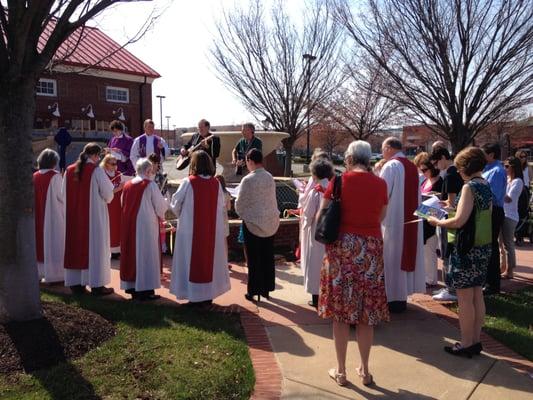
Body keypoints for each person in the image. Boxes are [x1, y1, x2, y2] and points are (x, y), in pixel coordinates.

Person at [319, 140, 389, 387]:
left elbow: (323, 215)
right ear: (368, 159)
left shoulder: (338, 182)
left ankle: (340, 370)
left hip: (341, 250)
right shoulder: (380, 184)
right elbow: (381, 216)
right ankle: (365, 370)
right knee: (365, 313)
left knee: (340, 312)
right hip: (370, 250)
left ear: (348, 158)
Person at [428, 147, 492, 357]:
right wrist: (452, 210)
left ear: (465, 167)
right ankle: (475, 340)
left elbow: (459, 221)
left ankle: (465, 343)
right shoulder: (485, 184)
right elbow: (474, 214)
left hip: (466, 248)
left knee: (464, 299)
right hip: (482, 246)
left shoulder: (469, 187)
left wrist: (437, 220)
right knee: (476, 295)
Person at [169, 150, 230, 305]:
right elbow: (222, 205)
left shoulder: (188, 182)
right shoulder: (215, 183)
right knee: (209, 261)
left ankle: (193, 295)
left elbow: (175, 204)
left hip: (190, 230)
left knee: (189, 260)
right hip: (211, 230)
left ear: (193, 164)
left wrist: (184, 215)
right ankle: (207, 295)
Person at [380, 137, 425, 313]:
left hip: (393, 221)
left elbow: (382, 194)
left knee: (391, 258)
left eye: (383, 149)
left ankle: (390, 298)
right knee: (401, 258)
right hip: (409, 221)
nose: (383, 153)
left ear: (389, 148)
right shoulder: (412, 166)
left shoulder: (391, 166)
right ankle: (400, 298)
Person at [63, 143, 114, 295]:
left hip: (73, 217)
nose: (99, 159)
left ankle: (76, 284)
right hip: (94, 218)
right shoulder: (96, 171)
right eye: (99, 156)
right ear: (94, 155)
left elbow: (62, 193)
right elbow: (108, 194)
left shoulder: (69, 170)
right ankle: (97, 285)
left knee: (76, 247)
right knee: (96, 248)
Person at [120, 158, 168, 301]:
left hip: (129, 224)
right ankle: (145, 289)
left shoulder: (128, 185)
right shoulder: (150, 184)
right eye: (151, 170)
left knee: (132, 253)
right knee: (146, 255)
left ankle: (132, 287)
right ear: (148, 171)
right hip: (146, 225)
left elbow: (122, 202)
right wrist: (166, 203)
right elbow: (160, 206)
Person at [235, 149, 279, 301]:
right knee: (267, 257)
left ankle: (253, 290)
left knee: (254, 259)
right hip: (270, 223)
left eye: (247, 162)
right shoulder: (269, 177)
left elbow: (239, 204)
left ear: (250, 161)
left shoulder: (248, 180)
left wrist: (242, 213)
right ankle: (266, 289)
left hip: (253, 224)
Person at [430, 147, 464, 302]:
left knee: (446, 253)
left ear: (443, 157)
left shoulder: (450, 175)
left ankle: (450, 288)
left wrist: (435, 207)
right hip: (454, 219)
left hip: (448, 220)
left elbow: (451, 204)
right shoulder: (455, 173)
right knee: (448, 253)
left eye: (437, 163)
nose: (436, 167)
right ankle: (450, 287)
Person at [301, 158, 334, 307]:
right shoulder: (335, 188)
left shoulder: (317, 190)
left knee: (315, 264)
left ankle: (316, 296)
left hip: (316, 231)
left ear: (315, 174)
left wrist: (305, 223)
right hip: (331, 232)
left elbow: (308, 213)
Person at [34, 148, 65, 283]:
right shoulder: (55, 176)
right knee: (55, 242)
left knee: (40, 243)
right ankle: (56, 275)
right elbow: (62, 196)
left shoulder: (34, 176)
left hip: (38, 215)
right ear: (53, 162)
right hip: (53, 216)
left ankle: (40, 273)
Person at [481, 143, 506, 295]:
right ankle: (487, 280)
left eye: (484, 153)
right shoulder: (487, 169)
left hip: (494, 211)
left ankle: (493, 284)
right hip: (487, 211)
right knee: (487, 246)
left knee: (491, 247)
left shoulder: (497, 171)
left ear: (491, 155)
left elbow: (494, 195)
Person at [420, 159, 443, 286]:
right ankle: (427, 277)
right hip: (422, 217)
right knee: (425, 250)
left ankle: (431, 279)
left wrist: (436, 195)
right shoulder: (424, 181)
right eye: (421, 170)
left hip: (433, 219)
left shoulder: (440, 182)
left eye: (425, 170)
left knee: (430, 250)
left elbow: (444, 203)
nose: (423, 173)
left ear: (432, 168)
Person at [500, 157, 524, 279]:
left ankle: (510, 270)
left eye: (507, 166)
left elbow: (509, 199)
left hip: (510, 216)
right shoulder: (507, 179)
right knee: (501, 244)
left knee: (508, 244)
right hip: (502, 214)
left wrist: (498, 190)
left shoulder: (518, 181)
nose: (505, 168)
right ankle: (503, 267)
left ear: (513, 167)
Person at [101, 154, 125, 259]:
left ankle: (117, 251)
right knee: (109, 226)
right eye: (112, 163)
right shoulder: (102, 175)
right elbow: (104, 191)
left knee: (118, 226)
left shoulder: (119, 174)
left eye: (116, 163)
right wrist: (118, 189)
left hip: (118, 205)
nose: (115, 166)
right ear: (106, 164)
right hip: (108, 205)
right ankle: (109, 250)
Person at [514, 150, 530, 246]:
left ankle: (520, 236)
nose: (523, 158)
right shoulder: (514, 167)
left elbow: (530, 179)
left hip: (525, 190)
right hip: (516, 189)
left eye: (525, 157)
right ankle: (515, 233)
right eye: (521, 156)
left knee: (523, 212)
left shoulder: (527, 168)